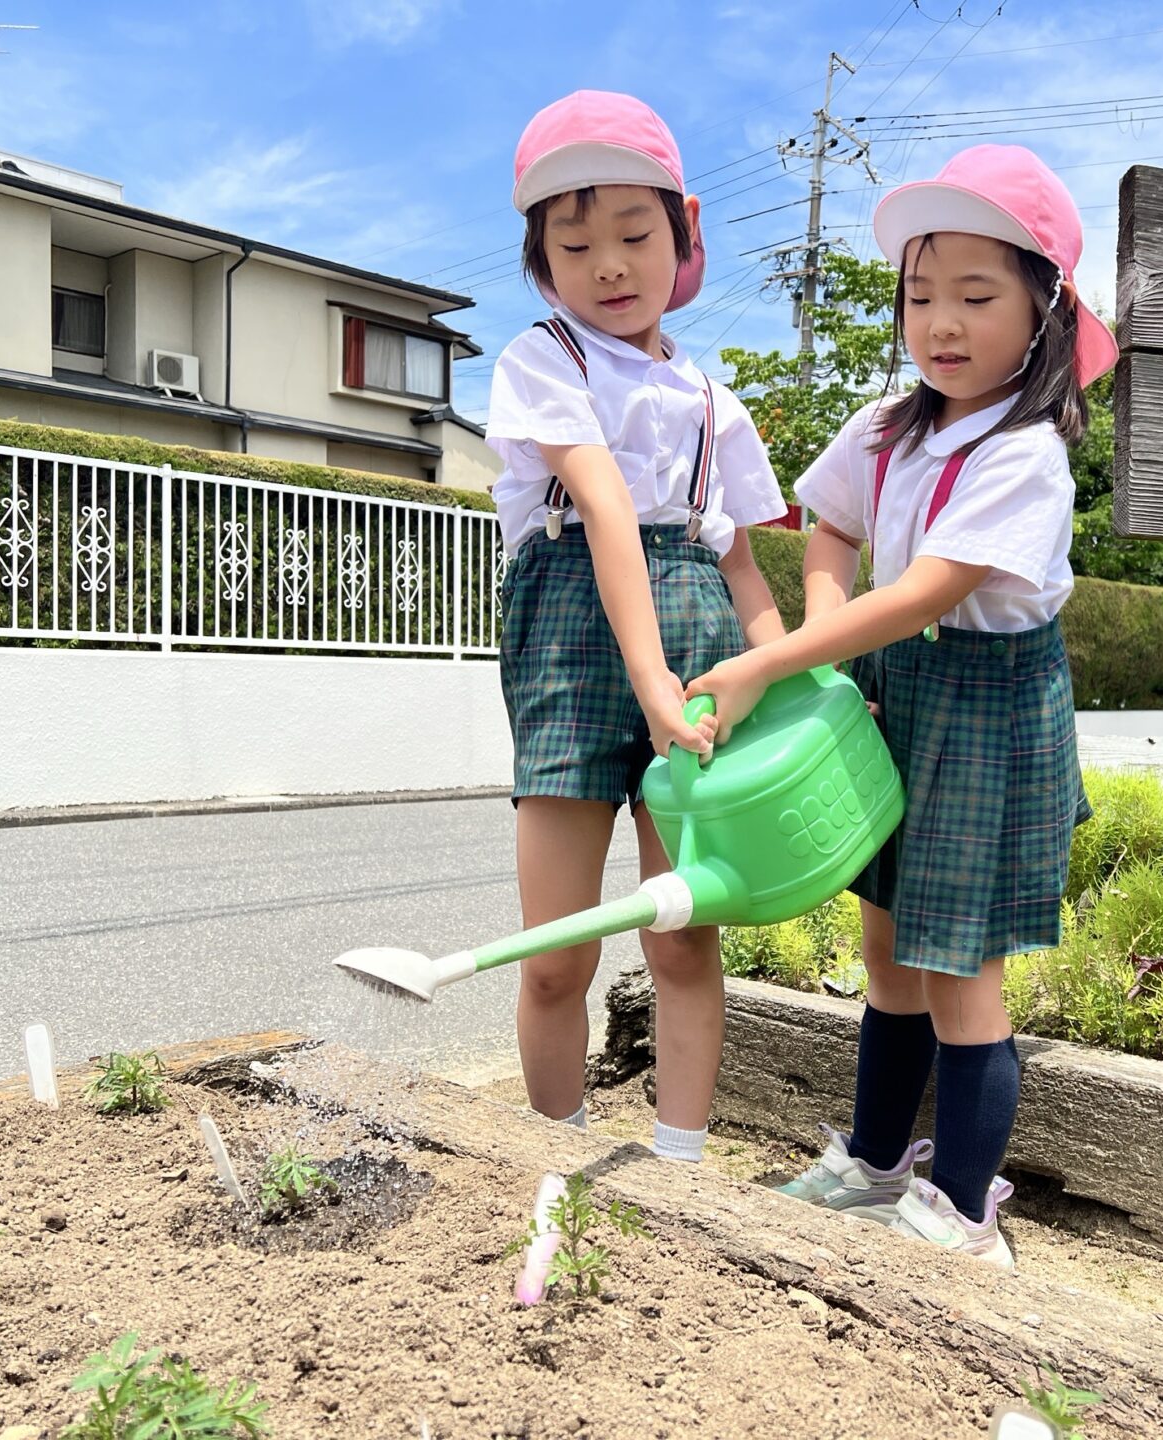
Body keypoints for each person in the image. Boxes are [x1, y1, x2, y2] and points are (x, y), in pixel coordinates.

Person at [684, 145, 1116, 1264]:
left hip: (987, 707)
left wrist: (773, 663)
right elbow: (829, 528)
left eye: (977, 296)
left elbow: (926, 590)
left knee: (960, 967)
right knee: (885, 950)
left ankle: (964, 1212)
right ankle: (877, 1164)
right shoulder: (888, 424)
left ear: (1045, 310)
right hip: (894, 687)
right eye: (921, 297)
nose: (942, 324)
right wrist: (830, 645)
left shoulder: (1026, 453)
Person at [487, 90, 786, 1163]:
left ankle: (679, 1167)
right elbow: (606, 508)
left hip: (696, 652)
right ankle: (558, 1164)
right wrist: (652, 681)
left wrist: (792, 679)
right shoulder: (540, 361)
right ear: (542, 262)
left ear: (683, 229)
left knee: (684, 938)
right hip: (575, 650)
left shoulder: (714, 403)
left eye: (633, 234)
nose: (608, 266)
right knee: (556, 955)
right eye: (575, 247)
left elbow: (742, 564)